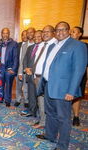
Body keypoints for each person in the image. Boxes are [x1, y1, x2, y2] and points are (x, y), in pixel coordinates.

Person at [36, 21, 87, 150]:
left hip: (63, 89)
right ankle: (50, 135)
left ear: (68, 31)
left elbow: (78, 70)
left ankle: (62, 145)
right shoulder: (53, 46)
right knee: (50, 113)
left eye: (63, 29)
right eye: (57, 30)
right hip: (48, 85)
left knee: (63, 118)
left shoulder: (77, 46)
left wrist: (72, 91)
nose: (60, 32)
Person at [31, 25, 56, 129]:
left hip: (46, 79)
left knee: (47, 103)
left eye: (48, 32)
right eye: (44, 32)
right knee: (40, 101)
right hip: (37, 77)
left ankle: (46, 123)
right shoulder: (43, 45)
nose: (45, 34)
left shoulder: (55, 45)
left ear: (53, 32)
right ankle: (42, 121)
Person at [21, 30, 43, 117]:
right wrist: (26, 69)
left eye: (39, 36)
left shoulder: (44, 47)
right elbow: (25, 59)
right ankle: (32, 111)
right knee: (31, 95)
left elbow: (41, 62)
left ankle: (42, 116)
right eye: (35, 37)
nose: (36, 38)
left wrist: (32, 70)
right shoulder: (30, 48)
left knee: (41, 97)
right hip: (29, 75)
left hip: (39, 76)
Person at [70, 26, 88, 126]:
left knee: (76, 96)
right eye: (71, 32)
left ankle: (76, 116)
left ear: (80, 34)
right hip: (66, 75)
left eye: (74, 32)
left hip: (79, 75)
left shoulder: (84, 46)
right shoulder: (66, 45)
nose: (71, 33)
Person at [0, 28, 19, 107]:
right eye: (4, 33)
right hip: (1, 67)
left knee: (9, 85)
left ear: (9, 34)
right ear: (1, 34)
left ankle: (8, 100)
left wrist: (13, 69)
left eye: (7, 33)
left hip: (9, 68)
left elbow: (16, 57)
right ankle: (0, 98)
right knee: (0, 84)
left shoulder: (14, 44)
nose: (5, 35)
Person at [15, 29, 29, 107]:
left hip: (26, 69)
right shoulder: (18, 45)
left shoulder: (30, 44)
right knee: (18, 86)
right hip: (18, 68)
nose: (24, 36)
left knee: (26, 86)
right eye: (22, 35)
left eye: (25, 34)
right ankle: (18, 99)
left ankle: (26, 100)